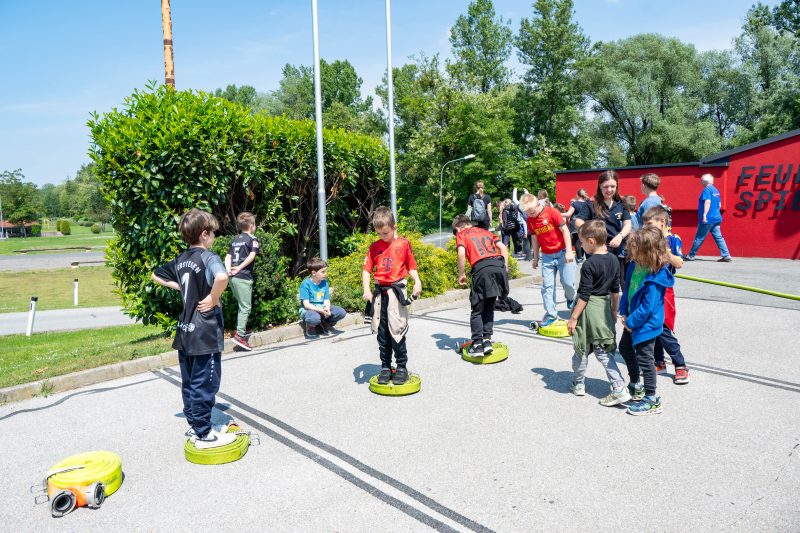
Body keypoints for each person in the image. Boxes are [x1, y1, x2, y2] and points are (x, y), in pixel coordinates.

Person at [152, 209, 236, 448]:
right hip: (205, 331)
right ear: (204, 234)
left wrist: (183, 287)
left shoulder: (181, 259)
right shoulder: (209, 257)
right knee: (206, 382)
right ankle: (203, 432)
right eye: (213, 234)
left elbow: (156, 275)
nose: (214, 238)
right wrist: (212, 297)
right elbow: (222, 277)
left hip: (185, 330)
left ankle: (194, 424)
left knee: (189, 381)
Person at [566, 220, 631, 406]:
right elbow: (615, 289)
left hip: (588, 311)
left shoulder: (589, 264)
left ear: (591, 241)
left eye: (581, 242)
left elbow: (584, 295)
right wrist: (613, 311)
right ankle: (618, 386)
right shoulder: (613, 259)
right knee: (603, 350)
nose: (580, 246)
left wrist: (573, 318)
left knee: (582, 348)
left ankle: (579, 383)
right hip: (603, 308)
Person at [362, 207, 422, 385]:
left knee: (396, 330)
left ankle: (401, 367)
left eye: (386, 233)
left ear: (394, 227)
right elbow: (366, 270)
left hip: (396, 292)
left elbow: (411, 266)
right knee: (382, 333)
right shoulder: (374, 247)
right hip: (380, 293)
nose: (382, 236)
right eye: (379, 233)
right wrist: (367, 290)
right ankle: (386, 367)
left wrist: (417, 281)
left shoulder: (403, 244)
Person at [619, 226, 675, 416]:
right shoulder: (635, 265)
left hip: (646, 325)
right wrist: (623, 311)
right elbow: (627, 290)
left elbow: (648, 307)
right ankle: (636, 385)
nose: (630, 251)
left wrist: (630, 322)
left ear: (647, 251)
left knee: (646, 359)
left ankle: (652, 399)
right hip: (632, 320)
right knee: (625, 348)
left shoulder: (656, 276)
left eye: (634, 248)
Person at [643, 205, 690, 384]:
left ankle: (680, 365)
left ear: (662, 222)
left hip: (664, 289)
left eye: (649, 224)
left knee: (663, 328)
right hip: (647, 286)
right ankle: (659, 362)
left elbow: (679, 263)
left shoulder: (673, 239)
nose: (646, 227)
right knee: (651, 327)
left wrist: (663, 249)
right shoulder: (647, 238)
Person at [452, 214, 510, 356]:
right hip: (497, 266)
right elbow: (503, 247)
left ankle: (477, 344)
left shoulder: (462, 234)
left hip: (481, 269)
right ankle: (487, 341)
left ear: (458, 228)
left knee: (477, 308)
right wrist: (505, 267)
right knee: (489, 306)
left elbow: (461, 254)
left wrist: (461, 274)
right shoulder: (486, 232)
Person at [519, 192, 577, 327]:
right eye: (527, 213)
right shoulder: (530, 219)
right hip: (547, 256)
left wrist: (569, 251)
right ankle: (551, 314)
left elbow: (565, 231)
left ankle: (571, 299)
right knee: (547, 287)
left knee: (568, 283)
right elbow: (534, 238)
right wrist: (535, 257)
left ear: (537, 205)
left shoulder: (552, 212)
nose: (530, 215)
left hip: (563, 252)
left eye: (531, 212)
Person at [573, 170, 633, 286]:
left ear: (617, 185)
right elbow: (578, 222)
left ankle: (615, 298)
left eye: (612, 186)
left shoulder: (621, 203)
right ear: (600, 186)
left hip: (616, 248)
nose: (609, 190)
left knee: (616, 282)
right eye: (605, 186)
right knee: (598, 283)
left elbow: (628, 224)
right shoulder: (591, 203)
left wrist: (620, 236)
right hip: (596, 250)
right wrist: (594, 235)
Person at [225, 212, 260, 351]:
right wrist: (239, 268)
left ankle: (242, 329)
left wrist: (228, 270)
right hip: (243, 277)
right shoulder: (252, 239)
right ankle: (239, 335)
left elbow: (228, 257)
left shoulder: (236, 240)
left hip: (232, 277)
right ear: (251, 225)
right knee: (245, 307)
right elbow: (252, 256)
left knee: (241, 305)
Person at [685, 174, 732, 262]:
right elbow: (719, 205)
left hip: (708, 219)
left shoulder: (707, 190)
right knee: (719, 237)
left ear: (705, 181)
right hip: (717, 218)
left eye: (702, 181)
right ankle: (726, 255)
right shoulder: (716, 190)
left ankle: (691, 255)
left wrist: (704, 215)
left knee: (699, 237)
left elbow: (708, 201)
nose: (701, 182)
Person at [299, 257, 347, 336]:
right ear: (314, 273)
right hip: (310, 310)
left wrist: (327, 308)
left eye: (326, 271)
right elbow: (306, 305)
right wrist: (321, 310)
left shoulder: (325, 283)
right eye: (323, 272)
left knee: (341, 312)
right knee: (313, 318)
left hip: (322, 308)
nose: (325, 274)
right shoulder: (305, 284)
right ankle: (311, 326)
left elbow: (326, 300)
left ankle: (325, 323)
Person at [564, 189, 590, 263]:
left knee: (577, 241)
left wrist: (558, 214)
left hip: (575, 223)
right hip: (585, 223)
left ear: (577, 195)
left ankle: (579, 258)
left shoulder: (575, 203)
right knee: (585, 240)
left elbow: (568, 214)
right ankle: (587, 257)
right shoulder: (588, 203)